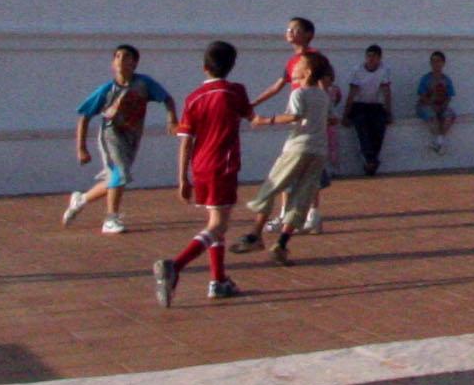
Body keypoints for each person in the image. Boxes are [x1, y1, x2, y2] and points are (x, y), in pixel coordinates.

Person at [154, 41, 253, 306]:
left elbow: (185, 140)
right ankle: (175, 265)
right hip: (224, 165)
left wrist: (181, 178)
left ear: (204, 67)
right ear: (232, 66)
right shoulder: (235, 92)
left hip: (200, 166)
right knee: (218, 224)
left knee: (216, 220)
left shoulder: (194, 98)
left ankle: (218, 280)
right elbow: (251, 114)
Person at [63, 45, 174, 233]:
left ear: (135, 63)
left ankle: (81, 199)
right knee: (120, 173)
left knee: (115, 178)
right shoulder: (107, 90)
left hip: (131, 136)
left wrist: (172, 117)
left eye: (126, 57)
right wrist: (81, 148)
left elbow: (166, 99)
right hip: (110, 135)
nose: (121, 60)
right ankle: (110, 219)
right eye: (117, 56)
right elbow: (85, 116)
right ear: (113, 63)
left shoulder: (144, 84)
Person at [241, 51, 334, 261]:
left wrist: (265, 120)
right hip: (318, 150)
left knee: (272, 186)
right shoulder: (323, 95)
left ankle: (255, 233)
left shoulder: (299, 94)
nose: (294, 66)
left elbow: (294, 116)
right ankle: (282, 243)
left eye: (299, 63)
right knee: (302, 196)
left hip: (297, 148)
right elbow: (331, 119)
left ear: (307, 72)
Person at [342, 44, 393, 176]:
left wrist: (388, 112)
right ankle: (369, 159)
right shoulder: (357, 70)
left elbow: (386, 92)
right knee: (362, 127)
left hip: (375, 106)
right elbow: (352, 94)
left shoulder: (384, 70)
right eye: (368, 56)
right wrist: (346, 115)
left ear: (379, 58)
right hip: (359, 105)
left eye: (374, 56)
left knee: (379, 127)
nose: (370, 59)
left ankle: (372, 159)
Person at [415, 50, 457, 155]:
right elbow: (422, 95)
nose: (435, 63)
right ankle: (439, 140)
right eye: (433, 61)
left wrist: (443, 106)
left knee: (449, 115)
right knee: (431, 115)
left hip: (441, 106)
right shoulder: (426, 79)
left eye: (438, 61)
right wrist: (431, 104)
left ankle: (439, 140)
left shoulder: (446, 80)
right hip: (426, 105)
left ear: (443, 63)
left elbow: (449, 96)